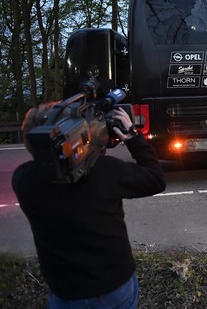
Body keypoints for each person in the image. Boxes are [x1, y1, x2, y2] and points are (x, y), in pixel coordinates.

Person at [12, 102, 166, 308]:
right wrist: (132, 137)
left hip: (65, 292)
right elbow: (155, 179)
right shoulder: (105, 171)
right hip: (114, 285)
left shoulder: (23, 179)